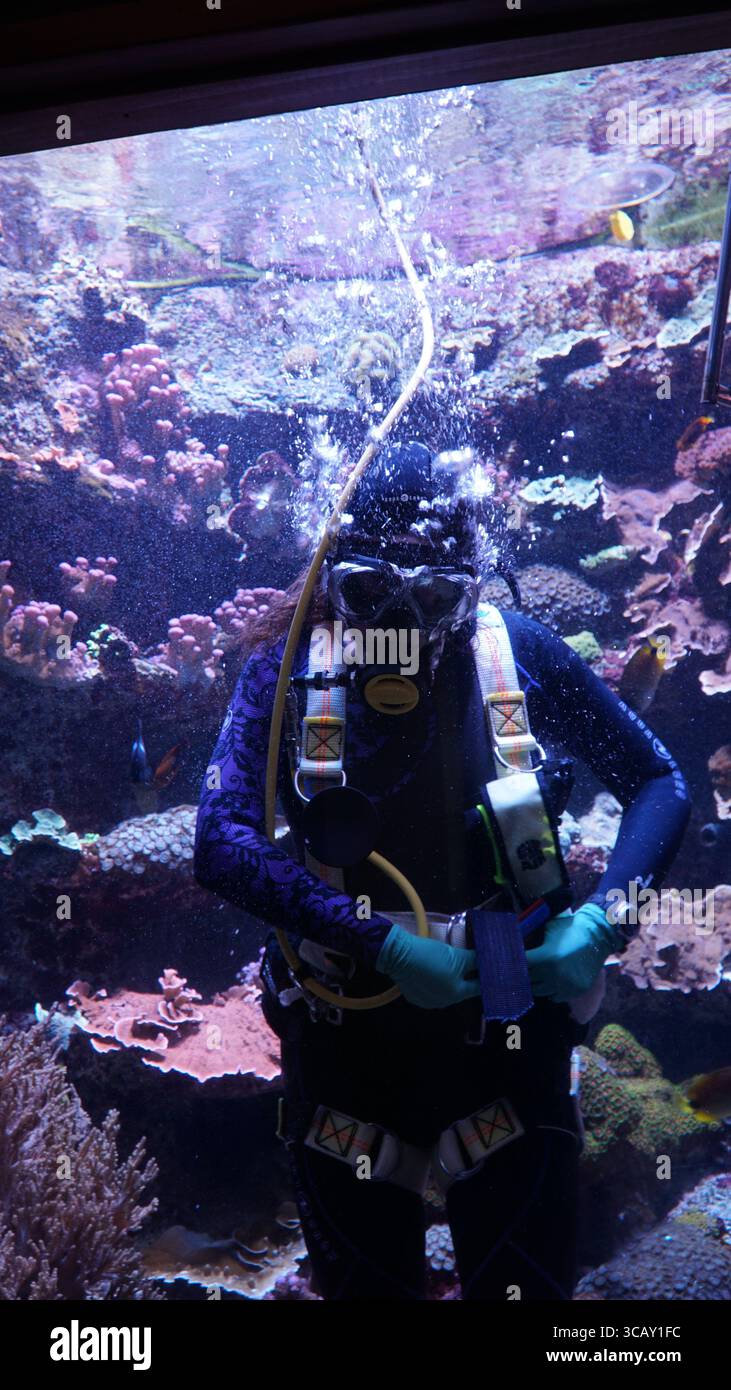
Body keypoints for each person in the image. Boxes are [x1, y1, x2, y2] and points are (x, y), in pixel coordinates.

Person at [194, 441, 691, 1300]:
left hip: (508, 1020)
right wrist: (381, 945)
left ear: (470, 589)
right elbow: (220, 840)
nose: (399, 629)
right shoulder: (283, 674)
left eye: (429, 600)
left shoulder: (517, 654)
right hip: (345, 1043)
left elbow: (659, 780)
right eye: (367, 594)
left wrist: (604, 921)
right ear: (331, 576)